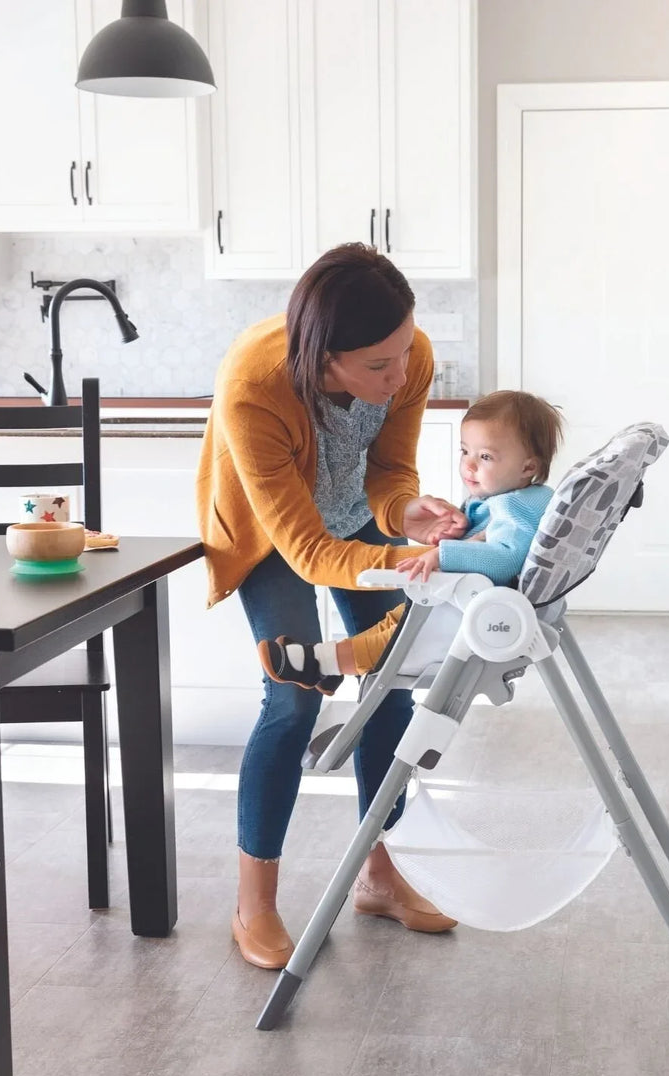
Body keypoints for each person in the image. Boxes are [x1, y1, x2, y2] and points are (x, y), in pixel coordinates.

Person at [196, 243, 469, 971]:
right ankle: (253, 902)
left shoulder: (405, 357)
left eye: (405, 351)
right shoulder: (254, 385)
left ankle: (379, 875)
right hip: (270, 532)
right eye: (379, 365)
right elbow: (308, 552)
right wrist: (407, 564)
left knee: (392, 690)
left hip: (354, 518)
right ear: (324, 359)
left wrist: (406, 514)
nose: (401, 373)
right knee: (291, 700)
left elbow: (389, 470)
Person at [258, 390, 565, 687]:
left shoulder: (516, 505)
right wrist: (455, 532)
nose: (469, 465)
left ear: (528, 467)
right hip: (457, 600)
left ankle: (319, 662)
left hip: (466, 610)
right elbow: (488, 539)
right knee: (396, 621)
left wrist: (443, 554)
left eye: (485, 456)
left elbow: (506, 557)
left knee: (398, 638)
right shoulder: (509, 499)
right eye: (465, 451)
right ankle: (326, 665)